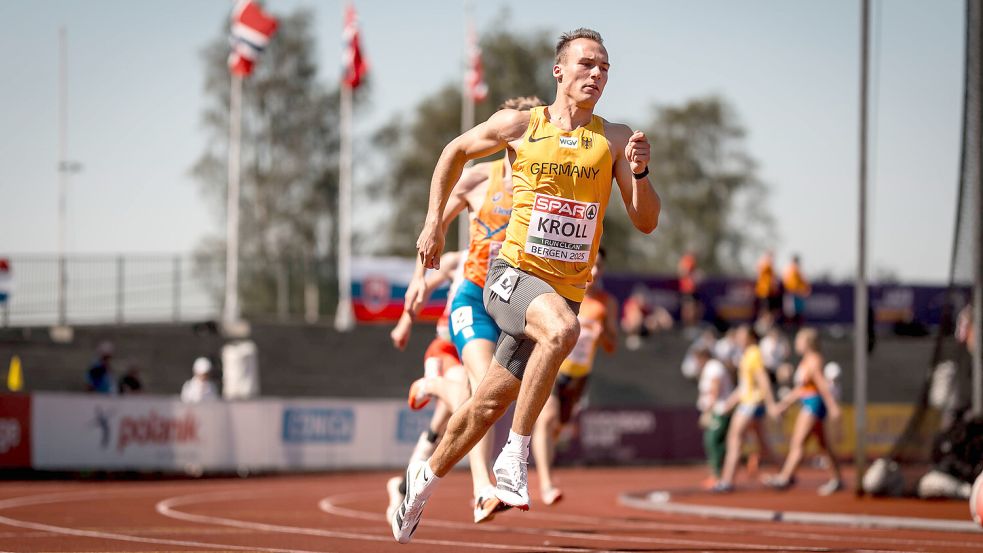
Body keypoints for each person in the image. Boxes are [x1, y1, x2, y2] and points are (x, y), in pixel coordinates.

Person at [393, 27, 660, 544]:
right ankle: (514, 455)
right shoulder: (521, 125)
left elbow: (646, 221)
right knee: (563, 331)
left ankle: (421, 481)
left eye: (605, 67)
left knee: (484, 405)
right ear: (559, 70)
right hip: (510, 276)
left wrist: (642, 173)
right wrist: (432, 224)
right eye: (587, 64)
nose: (597, 74)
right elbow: (453, 152)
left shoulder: (614, 138)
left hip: (562, 292)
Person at [401, 97, 548, 523]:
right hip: (475, 299)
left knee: (493, 399)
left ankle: (430, 389)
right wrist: (418, 278)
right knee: (482, 390)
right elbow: (435, 226)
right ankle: (483, 490)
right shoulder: (480, 177)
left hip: (516, 299)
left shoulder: (546, 183)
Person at [389, 250, 500, 523]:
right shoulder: (456, 260)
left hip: (475, 349)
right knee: (467, 402)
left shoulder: (510, 256)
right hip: (445, 349)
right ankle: (429, 384)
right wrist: (404, 323)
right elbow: (422, 289)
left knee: (443, 427)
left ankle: (401, 487)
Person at [531, 248, 617, 505]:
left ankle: (534, 461)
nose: (596, 270)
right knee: (547, 418)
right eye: (592, 263)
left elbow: (612, 346)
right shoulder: (563, 292)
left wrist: (602, 334)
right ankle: (546, 484)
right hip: (554, 366)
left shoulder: (606, 303)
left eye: (600, 266)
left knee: (558, 427)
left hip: (579, 376)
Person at [763, 328, 843, 495]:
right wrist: (785, 404)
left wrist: (832, 406)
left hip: (813, 404)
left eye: (799, 340)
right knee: (824, 445)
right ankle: (837, 479)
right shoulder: (805, 361)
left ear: (808, 343)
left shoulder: (814, 360)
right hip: (809, 401)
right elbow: (801, 389)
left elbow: (821, 385)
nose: (796, 343)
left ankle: (785, 477)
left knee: (798, 442)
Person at [713, 325, 778, 493]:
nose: (738, 338)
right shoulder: (747, 355)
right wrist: (730, 403)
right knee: (763, 444)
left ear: (750, 337)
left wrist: (771, 404)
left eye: (742, 335)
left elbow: (763, 380)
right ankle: (785, 473)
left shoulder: (754, 354)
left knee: (734, 438)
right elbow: (744, 386)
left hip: (751, 404)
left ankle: (727, 481)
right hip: (750, 403)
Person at [694, 345, 734, 488]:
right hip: (716, 410)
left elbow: (715, 390)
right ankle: (716, 475)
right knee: (712, 441)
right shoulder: (709, 368)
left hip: (719, 411)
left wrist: (708, 412)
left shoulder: (713, 367)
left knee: (713, 441)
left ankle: (718, 476)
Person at [782, 254, 811, 329]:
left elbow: (804, 282)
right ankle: (790, 328)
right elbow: (787, 282)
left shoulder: (799, 270)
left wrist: (804, 290)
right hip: (791, 294)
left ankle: (797, 328)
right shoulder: (789, 269)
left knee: (798, 313)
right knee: (790, 313)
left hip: (798, 294)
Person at [754, 251, 780, 320]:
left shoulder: (770, 265)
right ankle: (764, 321)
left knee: (771, 309)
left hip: (770, 291)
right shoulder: (764, 263)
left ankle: (768, 321)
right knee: (765, 308)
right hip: (764, 291)